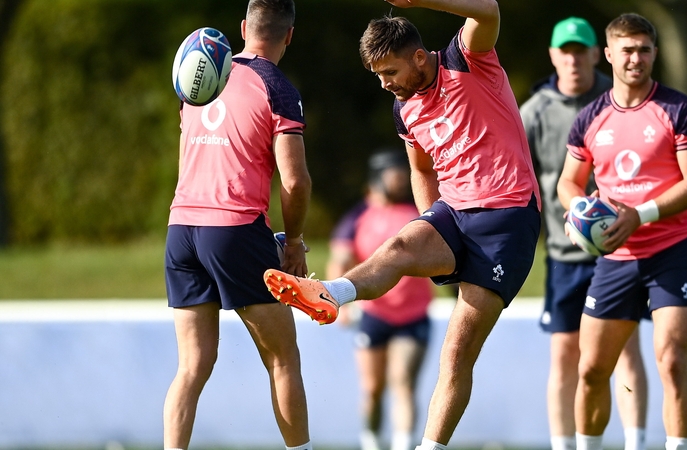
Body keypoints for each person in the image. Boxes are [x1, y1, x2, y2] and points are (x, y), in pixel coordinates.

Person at [264, 0, 541, 448]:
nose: (384, 84)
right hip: (453, 213)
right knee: (397, 246)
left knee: (455, 355)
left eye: (389, 72)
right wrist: (432, 225)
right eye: (377, 76)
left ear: (417, 57)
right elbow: (422, 170)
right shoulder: (404, 110)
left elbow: (488, 10)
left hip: (507, 219)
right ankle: (329, 293)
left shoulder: (466, 59)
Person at [557, 13, 687, 450]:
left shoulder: (679, 110)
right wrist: (577, 212)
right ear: (607, 54)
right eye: (627, 49)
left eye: (644, 49)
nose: (636, 58)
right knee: (591, 370)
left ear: (655, 54)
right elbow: (568, 183)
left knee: (671, 361)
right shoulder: (590, 118)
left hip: (672, 249)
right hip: (616, 258)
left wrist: (638, 215)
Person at [162, 1, 314, 449]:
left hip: (181, 228)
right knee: (283, 358)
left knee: (192, 365)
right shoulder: (277, 86)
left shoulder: (196, 75)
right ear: (289, 36)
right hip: (234, 229)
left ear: (244, 28)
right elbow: (295, 180)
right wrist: (296, 240)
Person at [519, 17, 649, 450]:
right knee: (564, 356)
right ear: (554, 56)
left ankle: (637, 443)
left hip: (623, 252)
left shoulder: (623, 102)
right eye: (565, 50)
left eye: (581, 50)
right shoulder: (534, 112)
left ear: (598, 55)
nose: (573, 59)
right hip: (563, 253)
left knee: (625, 351)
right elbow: (520, 180)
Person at [327, 150, 434, 450]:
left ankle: (402, 444)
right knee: (373, 388)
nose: (400, 180)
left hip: (413, 314)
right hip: (374, 315)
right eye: (394, 174)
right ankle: (371, 441)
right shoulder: (359, 216)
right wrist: (341, 301)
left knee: (403, 382)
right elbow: (340, 258)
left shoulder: (417, 213)